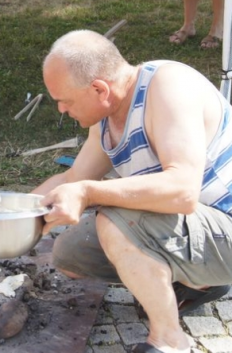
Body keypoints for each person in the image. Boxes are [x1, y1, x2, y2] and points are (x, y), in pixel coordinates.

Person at [34, 29, 232, 353]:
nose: (60, 110)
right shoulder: (107, 114)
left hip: (226, 226)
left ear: (99, 88)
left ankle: (169, 339)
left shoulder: (169, 88)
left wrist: (89, 192)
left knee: (113, 217)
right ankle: (198, 281)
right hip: (190, 226)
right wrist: (13, 214)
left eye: (64, 101)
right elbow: (75, 176)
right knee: (70, 254)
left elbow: (183, 190)